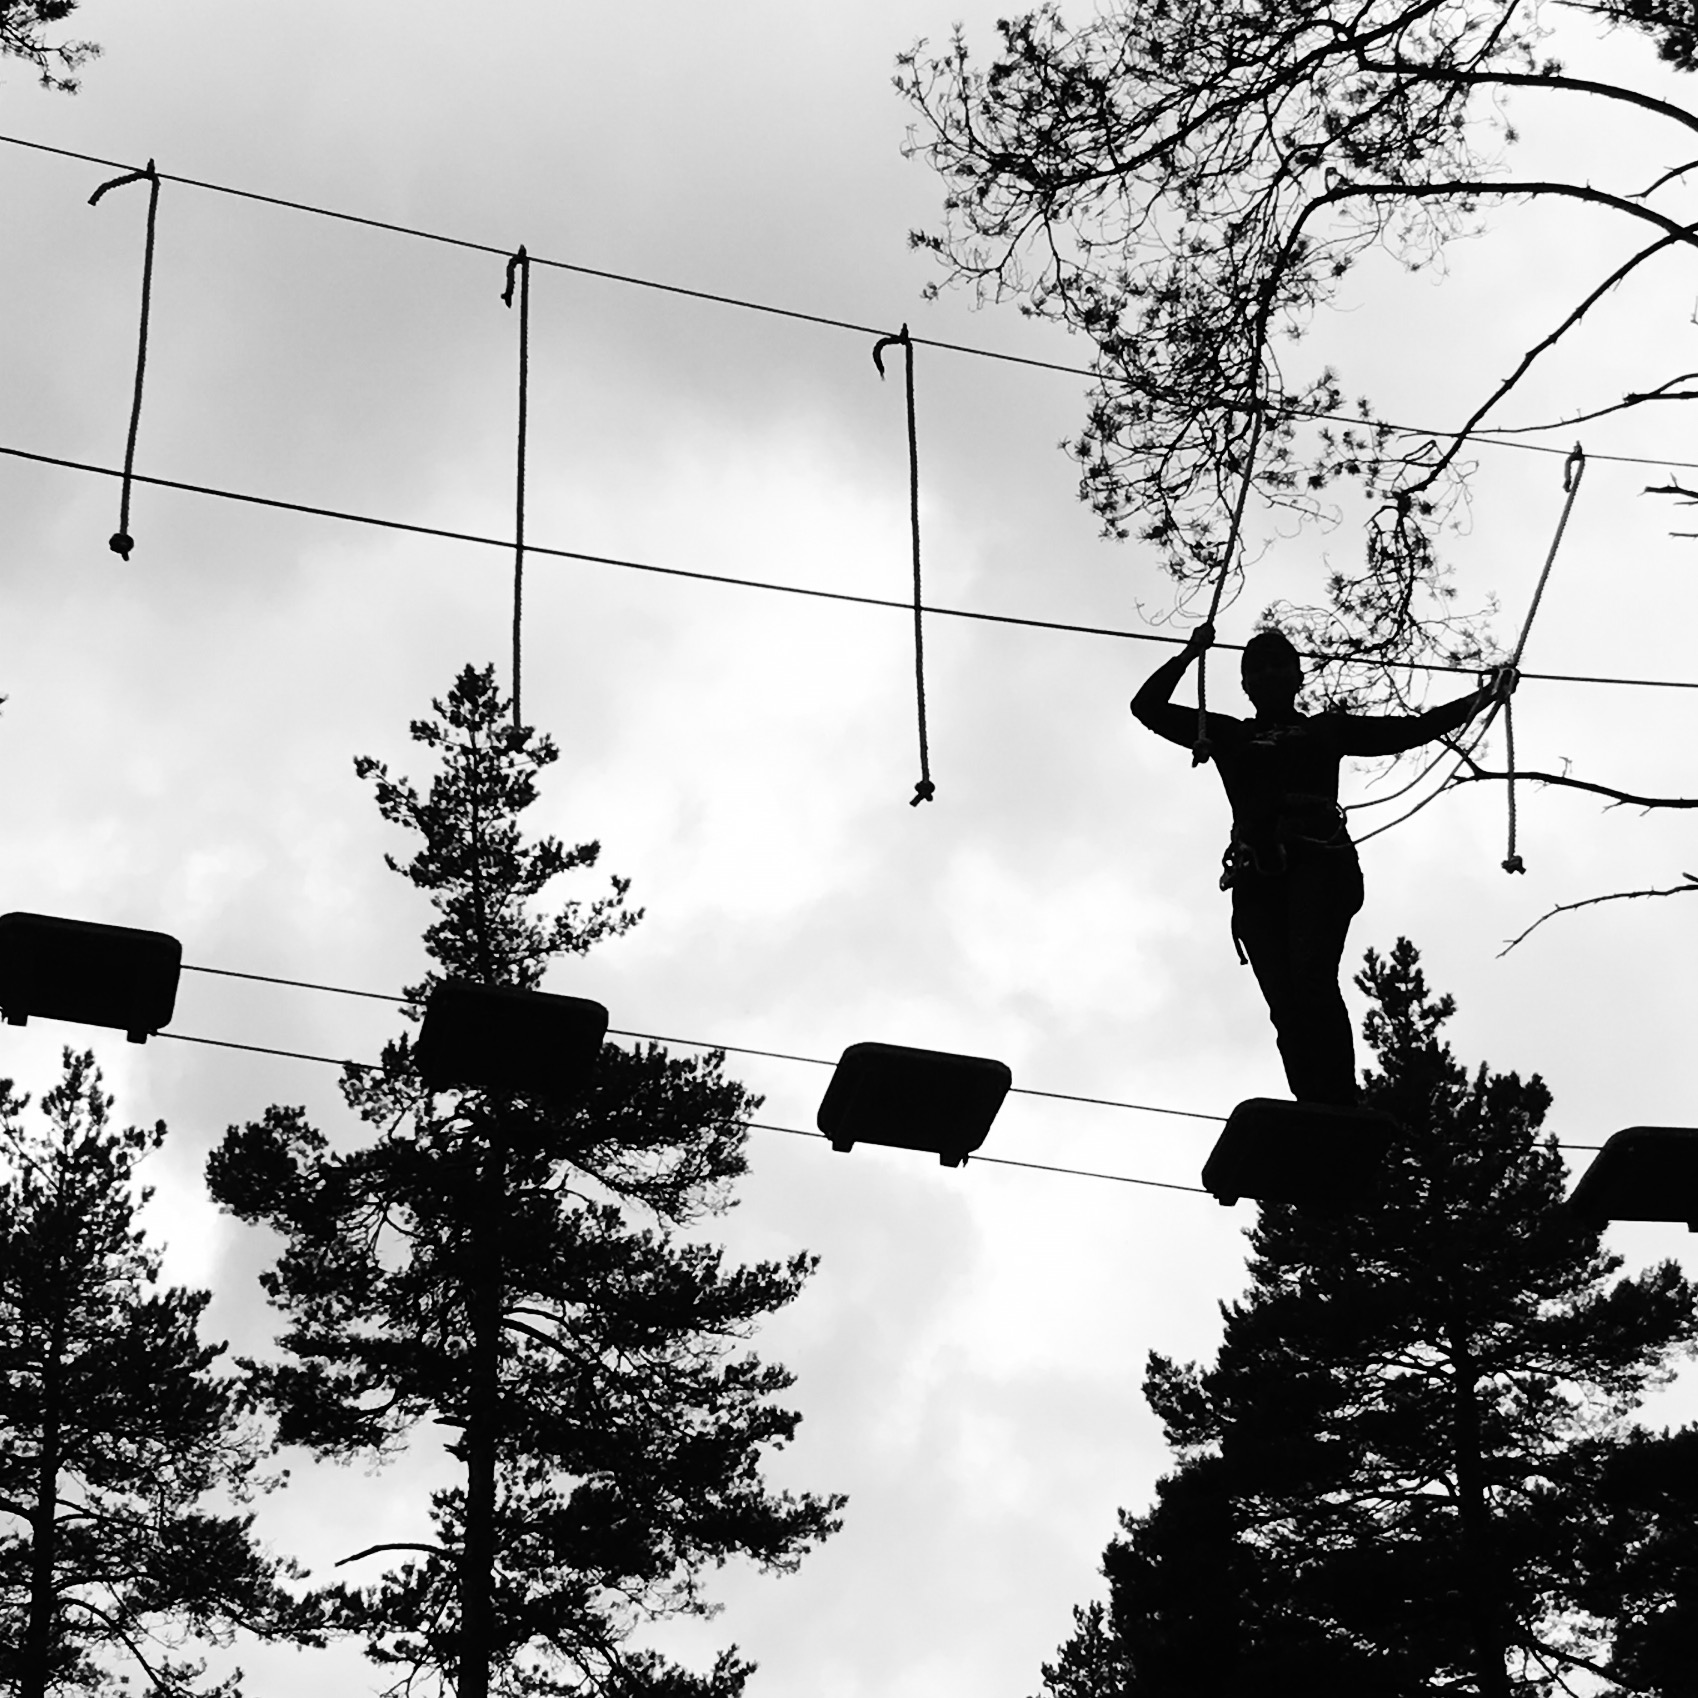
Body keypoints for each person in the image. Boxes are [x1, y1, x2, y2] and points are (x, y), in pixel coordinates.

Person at [1132, 623, 1512, 1106]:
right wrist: (1190, 654)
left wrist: (1482, 697)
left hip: (1318, 861)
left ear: (1298, 676)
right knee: (1285, 1003)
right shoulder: (1226, 734)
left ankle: (1338, 1100)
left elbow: (1410, 730)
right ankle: (1313, 1105)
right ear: (1245, 684)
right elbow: (1146, 708)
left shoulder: (1325, 729)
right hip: (1256, 873)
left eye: (1278, 664)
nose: (1268, 673)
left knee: (1311, 976)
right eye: (1257, 667)